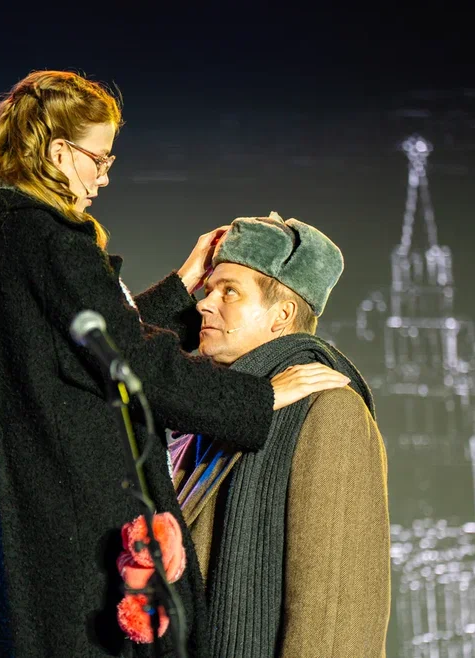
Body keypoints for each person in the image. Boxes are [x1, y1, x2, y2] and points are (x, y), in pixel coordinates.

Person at [0, 70, 351, 657]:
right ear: (60, 154)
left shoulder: (0, 239)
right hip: (79, 547)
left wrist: (182, 286)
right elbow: (134, 364)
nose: (104, 176)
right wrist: (263, 395)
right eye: (99, 159)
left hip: (39, 538)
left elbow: (87, 347)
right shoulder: (51, 242)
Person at [170, 212, 391, 658]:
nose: (204, 305)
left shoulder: (329, 410)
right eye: (208, 290)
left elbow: (332, 614)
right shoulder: (212, 412)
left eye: (229, 291)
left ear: (283, 314)